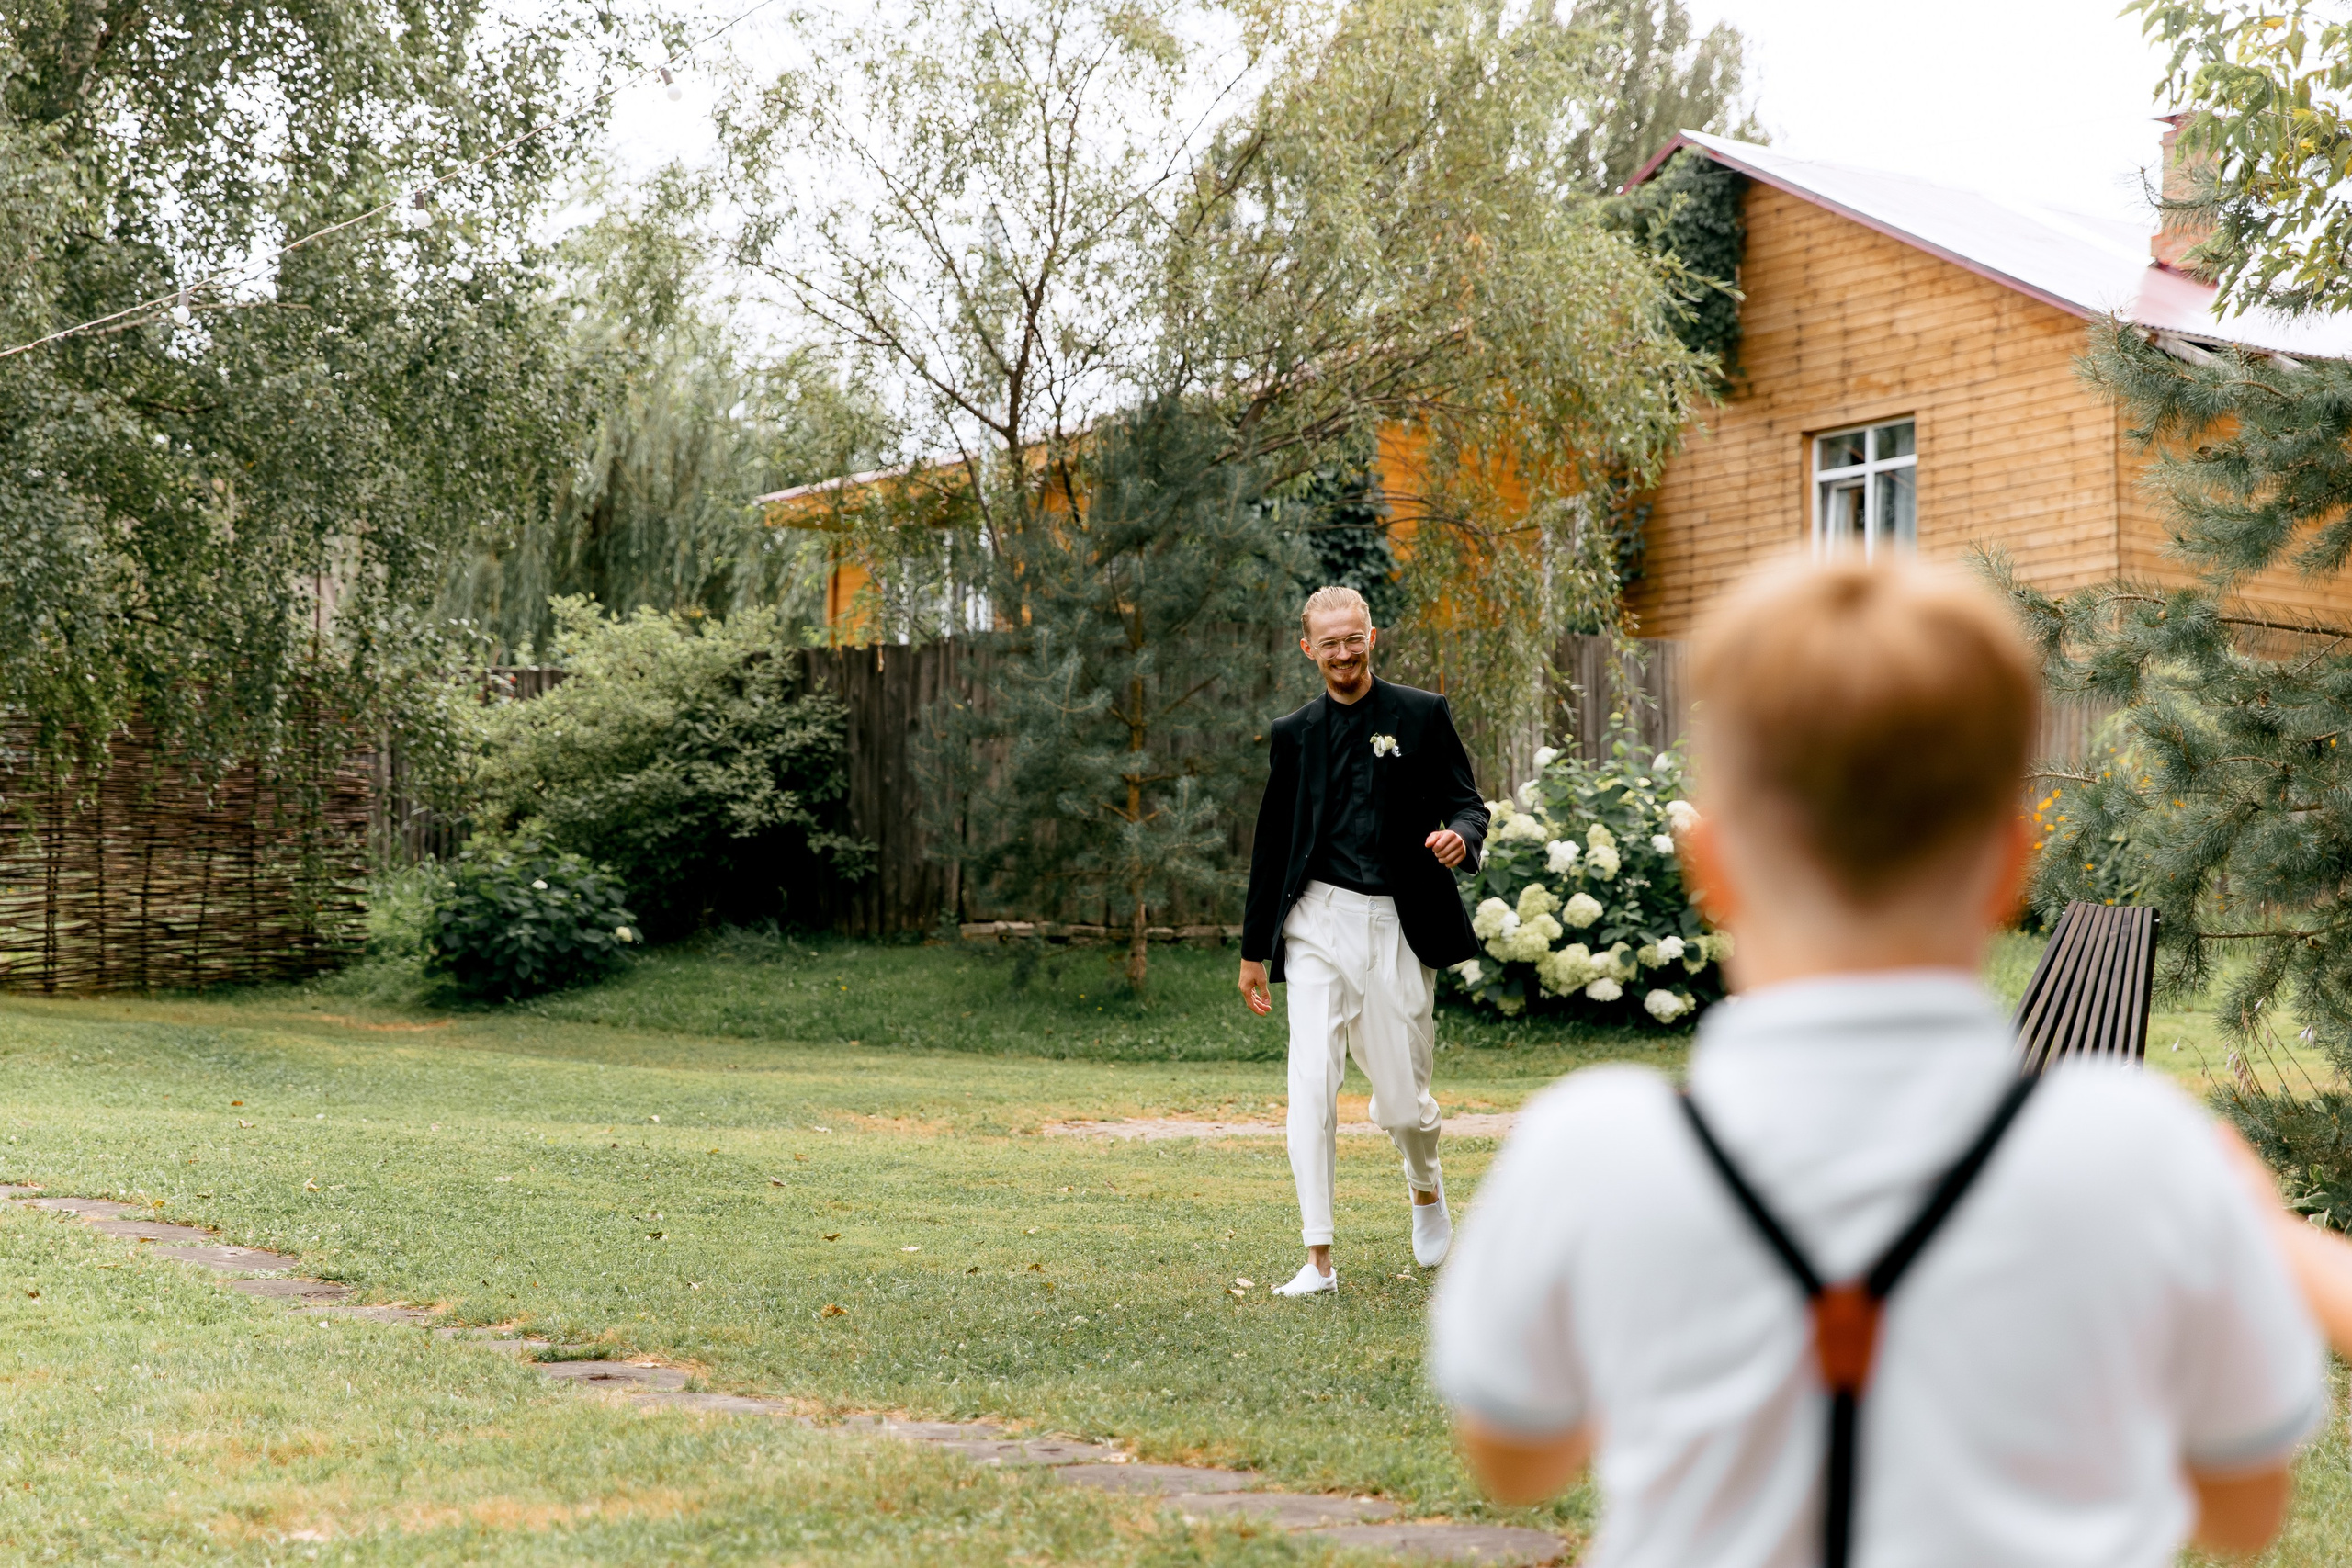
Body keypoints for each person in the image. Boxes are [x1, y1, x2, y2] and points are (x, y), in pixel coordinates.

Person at [1430, 560, 2328, 1567]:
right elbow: (2245, 1512)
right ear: (2006, 865)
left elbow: (1514, 1459)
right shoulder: (2141, 1154)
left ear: (1711, 866)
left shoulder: (1590, 1147)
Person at [1239, 585, 1487, 1297]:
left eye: (1354, 638)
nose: (1343, 653)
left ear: (1371, 636)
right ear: (1306, 647)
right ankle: (1317, 1256)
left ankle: (1425, 1183)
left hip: (1398, 923)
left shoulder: (1420, 714)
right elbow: (1271, 846)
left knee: (1405, 1102)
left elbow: (1469, 803)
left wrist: (1458, 838)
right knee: (1310, 1079)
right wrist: (1255, 949)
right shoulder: (1294, 732)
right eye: (1330, 642)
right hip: (1315, 919)